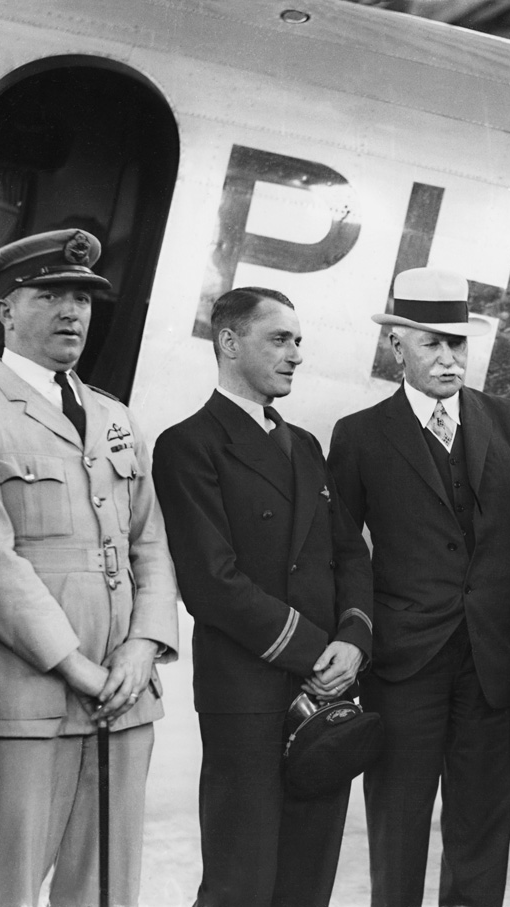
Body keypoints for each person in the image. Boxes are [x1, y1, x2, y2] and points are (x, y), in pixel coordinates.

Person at [0, 229, 179, 906]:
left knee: (107, 889)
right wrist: (77, 666)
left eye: (82, 297)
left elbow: (150, 544)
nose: (72, 312)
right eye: (50, 294)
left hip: (124, 700)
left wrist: (144, 646)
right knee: (2, 887)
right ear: (4, 309)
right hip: (24, 701)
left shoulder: (115, 417)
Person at [327, 267, 510, 907]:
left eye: (457, 344)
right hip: (403, 661)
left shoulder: (509, 422)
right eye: (431, 343)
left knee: (483, 828)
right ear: (397, 346)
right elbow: (342, 549)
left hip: (491, 660)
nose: (449, 358)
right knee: (397, 827)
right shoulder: (360, 434)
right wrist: (351, 638)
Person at [152, 286, 373, 907]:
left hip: (327, 691)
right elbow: (211, 584)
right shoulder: (188, 444)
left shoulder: (304, 445)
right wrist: (317, 653)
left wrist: (353, 642)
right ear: (228, 342)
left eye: (299, 340)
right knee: (240, 880)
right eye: (280, 339)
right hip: (248, 695)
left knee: (308, 879)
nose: (296, 354)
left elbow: (350, 554)